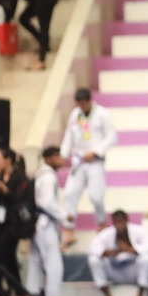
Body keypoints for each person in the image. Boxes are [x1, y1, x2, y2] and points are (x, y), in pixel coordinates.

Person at [61, 87, 117, 248]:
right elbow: (69, 135)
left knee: (96, 196)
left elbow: (112, 137)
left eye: (83, 104)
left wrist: (96, 151)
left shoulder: (102, 114)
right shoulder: (75, 114)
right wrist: (64, 154)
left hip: (95, 161)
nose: (81, 107)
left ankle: (101, 223)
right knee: (70, 194)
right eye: (79, 104)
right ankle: (68, 229)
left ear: (89, 101)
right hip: (78, 160)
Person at [0, 148, 36, 296]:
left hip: (13, 224)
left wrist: (6, 191)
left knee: (7, 256)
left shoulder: (19, 178)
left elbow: (21, 201)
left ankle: (18, 291)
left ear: (8, 160)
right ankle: (0, 292)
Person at [25, 146, 68, 296]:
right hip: (45, 224)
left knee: (35, 261)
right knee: (53, 261)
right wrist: (64, 217)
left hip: (36, 223)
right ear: (49, 158)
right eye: (57, 156)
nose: (61, 160)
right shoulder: (49, 177)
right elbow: (46, 203)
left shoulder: (39, 175)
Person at [88, 210, 148, 296]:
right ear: (113, 222)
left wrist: (132, 249)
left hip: (132, 271)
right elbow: (92, 248)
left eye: (121, 222)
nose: (119, 225)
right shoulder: (106, 234)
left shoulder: (138, 231)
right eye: (116, 222)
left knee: (146, 258)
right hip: (113, 270)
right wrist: (105, 252)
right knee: (93, 259)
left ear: (126, 220)